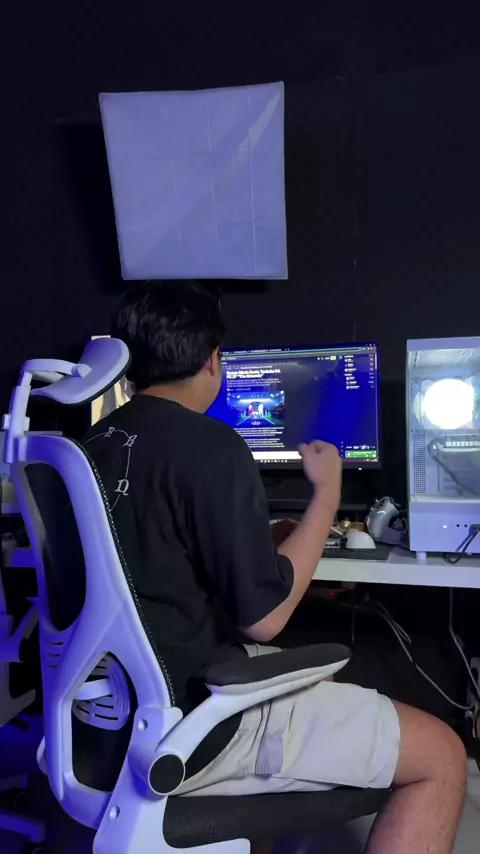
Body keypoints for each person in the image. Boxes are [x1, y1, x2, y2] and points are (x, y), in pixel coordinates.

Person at [82, 281, 467, 854]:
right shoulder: (210, 446)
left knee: (316, 681)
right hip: (186, 728)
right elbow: (266, 619)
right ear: (213, 360)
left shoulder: (92, 444)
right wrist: (326, 496)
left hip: (101, 720)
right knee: (443, 756)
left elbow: (149, 547)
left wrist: (257, 541)